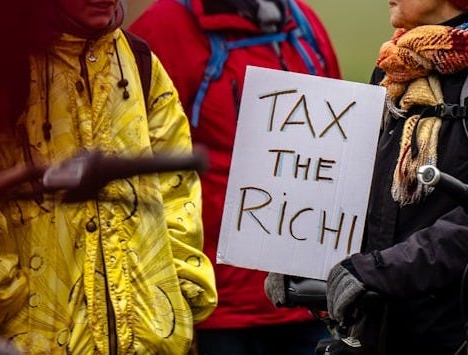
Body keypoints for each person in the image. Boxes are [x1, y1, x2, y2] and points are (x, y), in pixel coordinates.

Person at [306, 0, 468, 353]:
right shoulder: (398, 67)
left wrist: (375, 273)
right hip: (390, 330)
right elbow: (366, 200)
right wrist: (304, 261)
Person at [0, 0, 218, 353]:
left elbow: (177, 191)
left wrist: (179, 297)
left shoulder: (141, 62)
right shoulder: (8, 72)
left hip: (148, 339)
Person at [129, 1, 341, 354]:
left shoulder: (303, 24)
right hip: (217, 310)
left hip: (308, 300)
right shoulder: (164, 28)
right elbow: (140, 170)